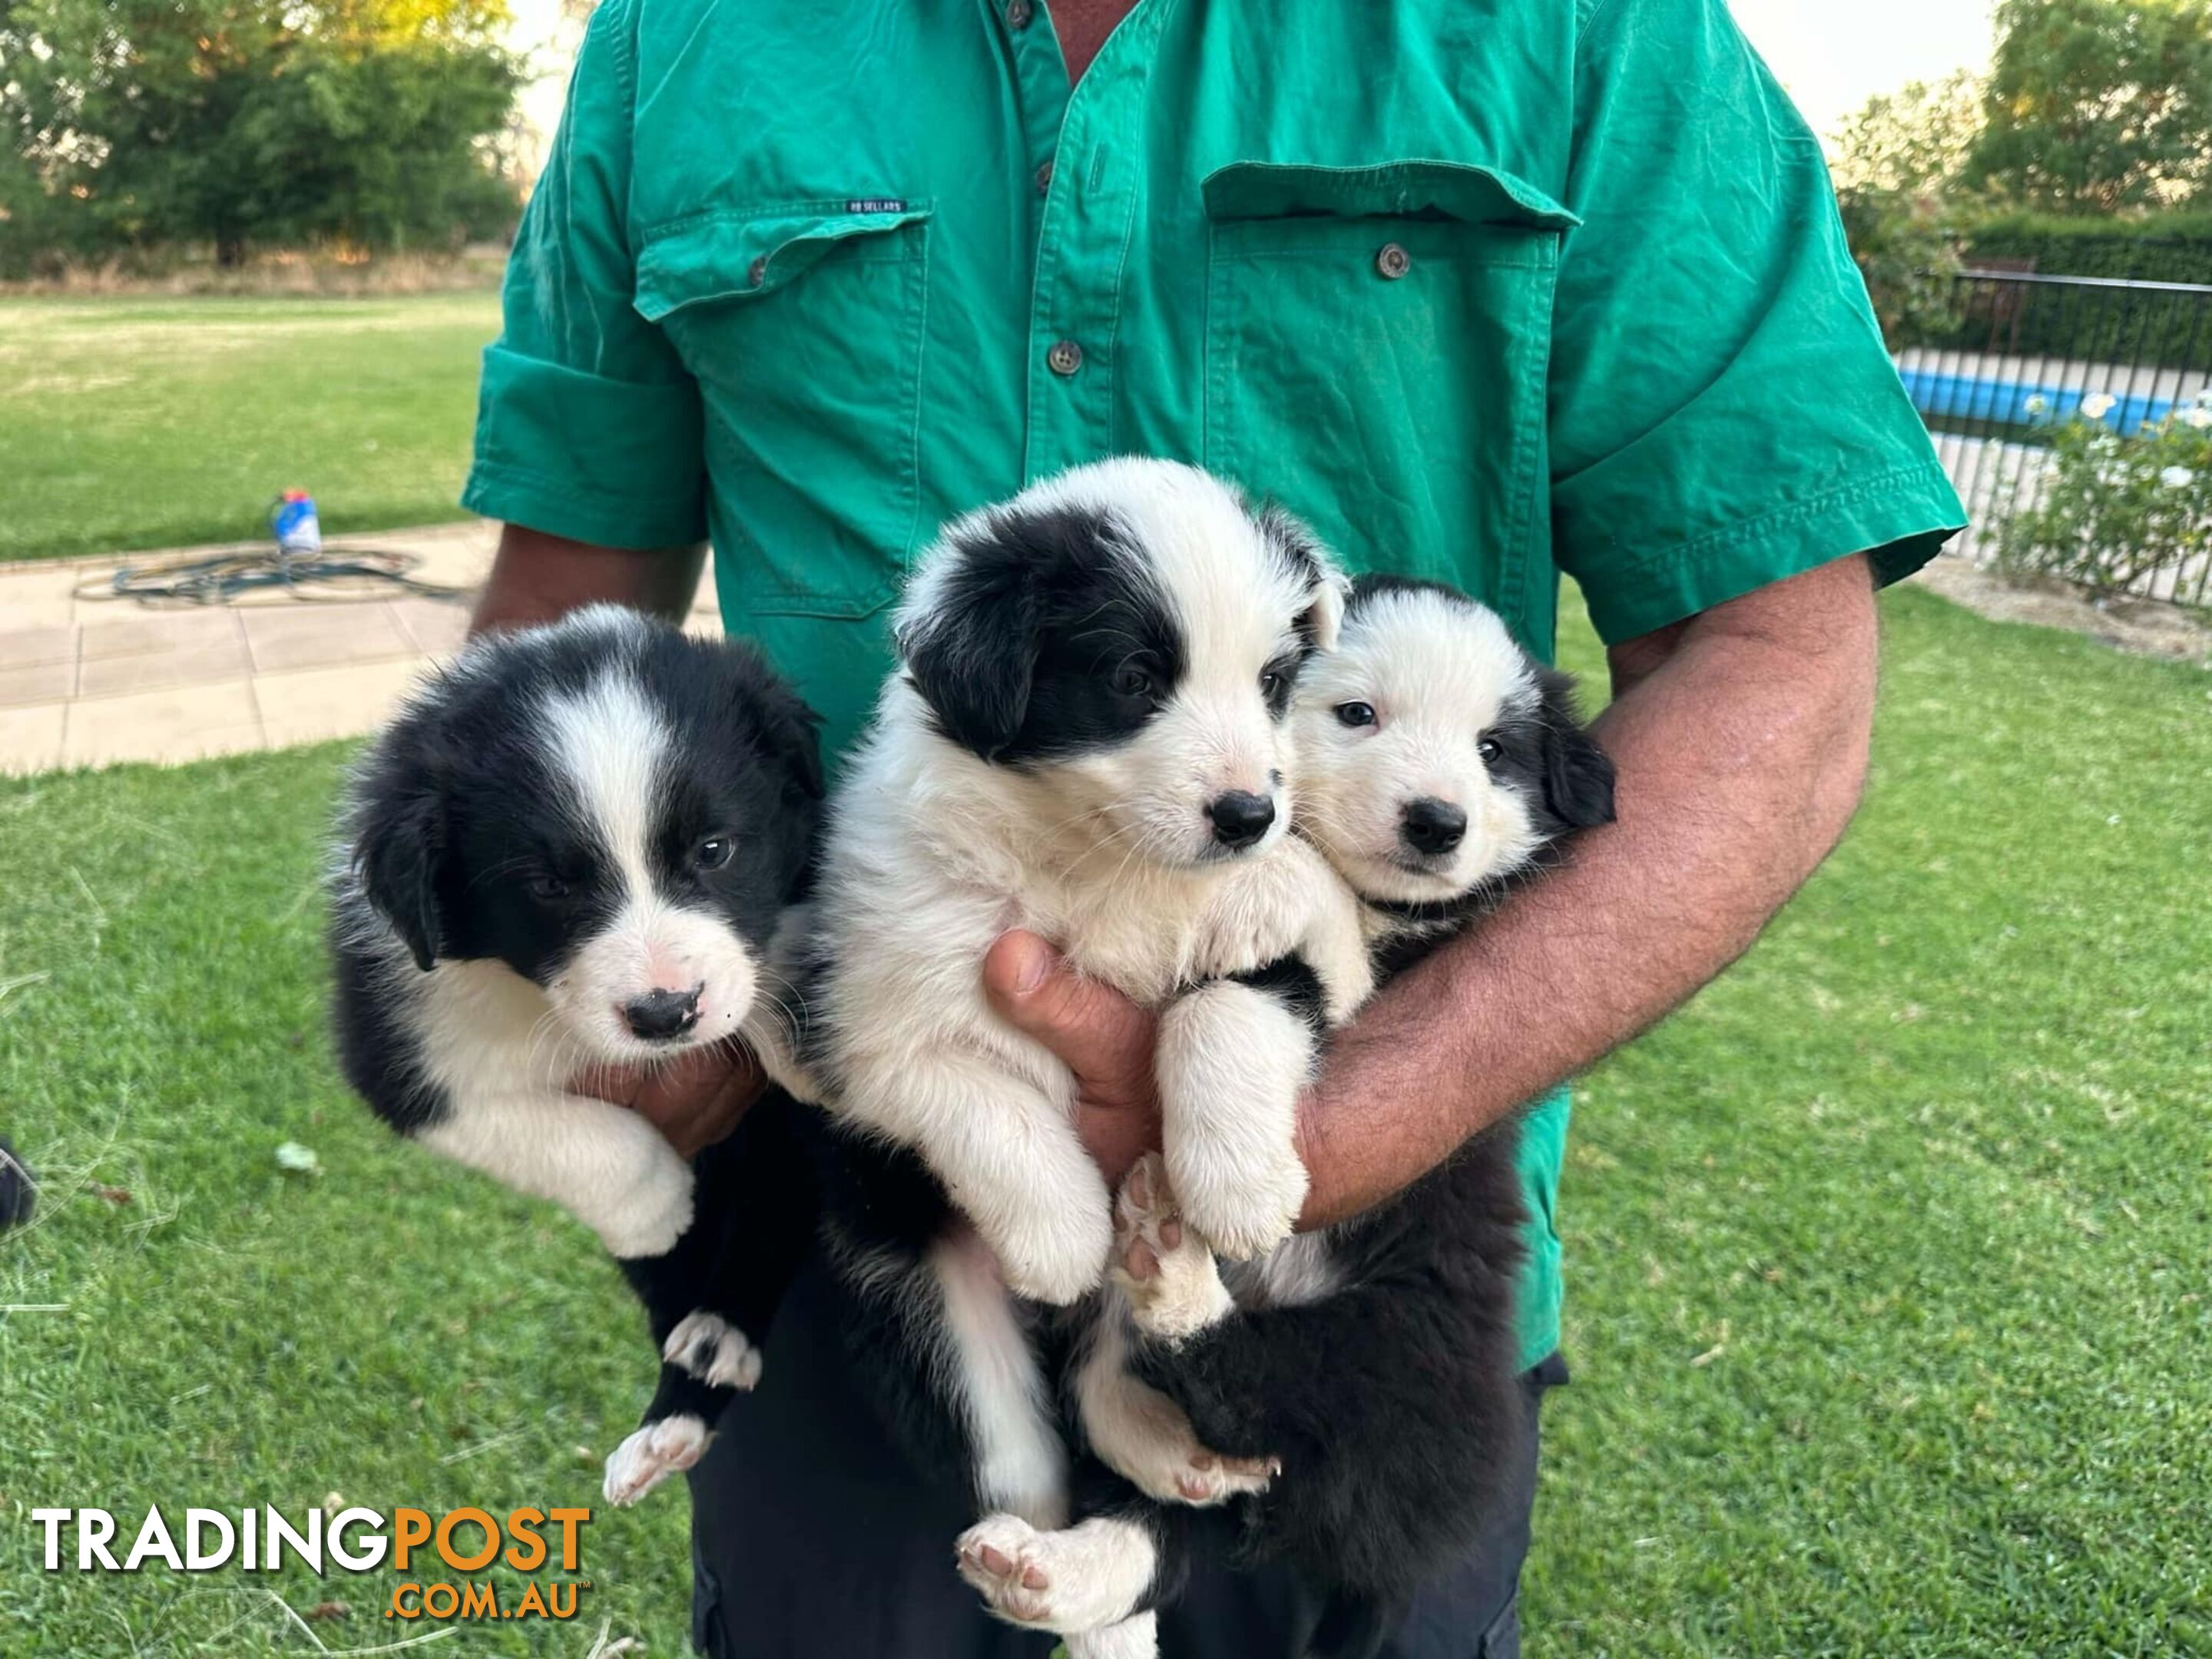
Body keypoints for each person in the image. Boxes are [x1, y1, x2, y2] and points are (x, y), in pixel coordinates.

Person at [461, 1, 1965, 1651]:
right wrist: (651, 1054)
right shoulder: (682, 36)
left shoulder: (1592, 33)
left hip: (1353, 1280)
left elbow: (1776, 662)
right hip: (867, 1238)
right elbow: (559, 610)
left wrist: (1340, 1119)